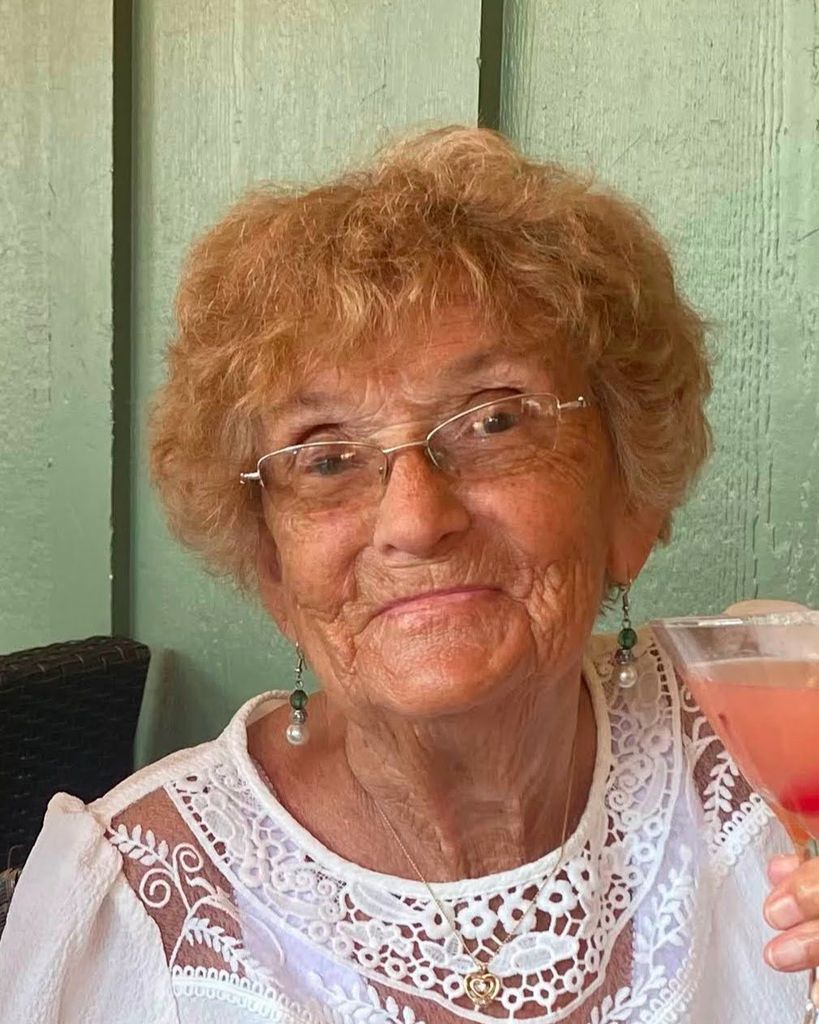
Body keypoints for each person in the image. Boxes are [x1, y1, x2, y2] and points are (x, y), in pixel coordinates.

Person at [0, 126, 815, 1024]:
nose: (416, 521)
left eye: (494, 421)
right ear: (273, 566)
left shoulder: (773, 754)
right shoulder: (137, 909)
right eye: (325, 458)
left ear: (630, 498)